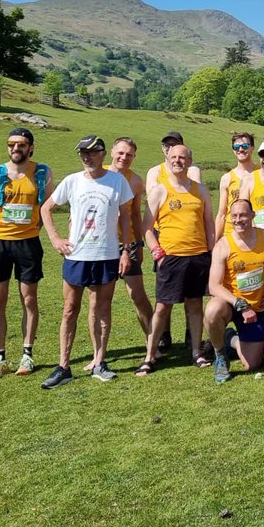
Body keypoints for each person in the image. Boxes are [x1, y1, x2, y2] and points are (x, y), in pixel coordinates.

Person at [39, 136, 134, 389]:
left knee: (102, 308)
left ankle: (100, 362)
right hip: (77, 256)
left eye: (91, 152)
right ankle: (63, 367)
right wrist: (55, 238)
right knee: (70, 310)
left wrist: (126, 250)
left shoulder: (118, 181)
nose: (86, 157)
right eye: (82, 152)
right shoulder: (72, 181)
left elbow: (125, 218)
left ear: (103, 154)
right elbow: (46, 208)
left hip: (107, 255)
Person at [0, 128, 53, 379]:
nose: (15, 149)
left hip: (28, 244)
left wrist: (31, 228)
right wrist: (3, 228)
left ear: (31, 148)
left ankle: (27, 354)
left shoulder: (42, 173)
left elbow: (46, 207)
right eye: (11, 144)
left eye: (21, 145)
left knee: (29, 300)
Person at [140, 144, 216, 372]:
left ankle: (196, 352)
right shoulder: (159, 190)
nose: (178, 161)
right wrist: (157, 252)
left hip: (198, 256)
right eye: (173, 157)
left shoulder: (200, 190)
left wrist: (211, 253)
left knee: (195, 305)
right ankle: (149, 355)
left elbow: (209, 224)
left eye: (182, 157)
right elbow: (146, 227)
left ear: (189, 162)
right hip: (171, 257)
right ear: (167, 159)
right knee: (163, 308)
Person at [205, 198, 264, 382]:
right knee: (212, 310)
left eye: (243, 215)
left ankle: (230, 338)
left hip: (256, 308)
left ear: (252, 216)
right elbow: (214, 285)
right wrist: (239, 303)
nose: (238, 219)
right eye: (234, 216)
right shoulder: (223, 245)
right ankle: (220, 356)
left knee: (252, 365)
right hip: (230, 303)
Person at [108, 137, 154, 367]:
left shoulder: (136, 181)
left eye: (129, 155)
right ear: (111, 153)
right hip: (103, 246)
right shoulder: (100, 174)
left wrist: (139, 243)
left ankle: (153, 343)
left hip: (128, 244)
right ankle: (100, 354)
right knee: (99, 301)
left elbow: (136, 214)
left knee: (138, 295)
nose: (124, 158)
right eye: (121, 153)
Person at [215, 132, 256, 239]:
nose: (241, 149)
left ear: (252, 148)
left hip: (256, 234)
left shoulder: (261, 173)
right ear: (233, 150)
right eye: (236, 147)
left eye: (245, 146)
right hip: (231, 234)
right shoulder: (227, 178)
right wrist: (215, 242)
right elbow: (222, 214)